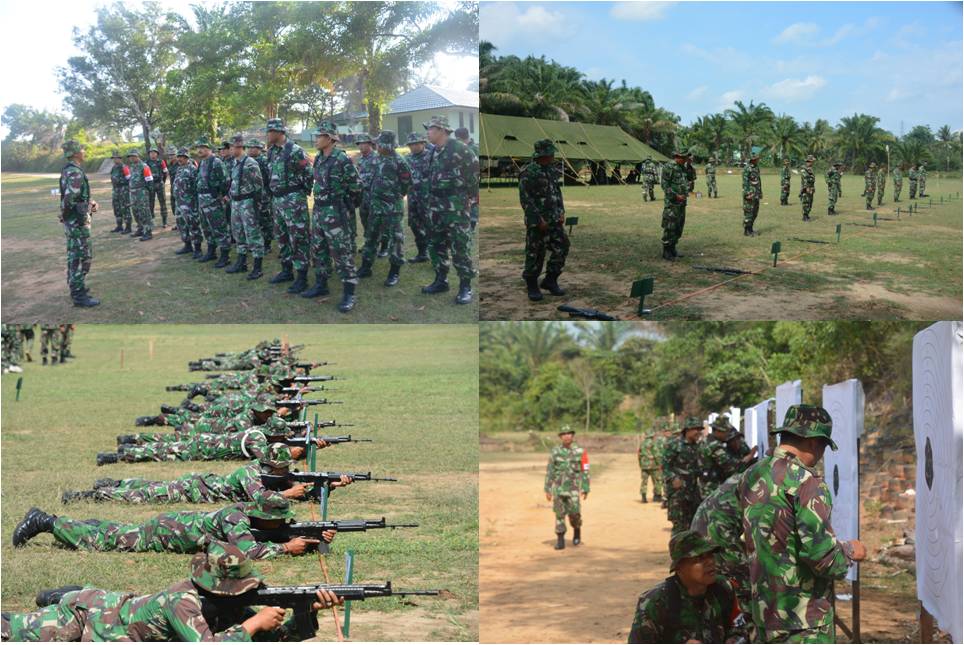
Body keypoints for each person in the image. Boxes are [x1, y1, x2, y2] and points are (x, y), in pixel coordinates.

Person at [1, 541, 342, 641]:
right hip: (92, 619)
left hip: (117, 614)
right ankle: (64, 597)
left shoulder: (225, 607)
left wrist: (307, 612)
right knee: (11, 630)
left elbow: (274, 638)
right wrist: (253, 625)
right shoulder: (183, 600)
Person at [737, 404, 867, 643]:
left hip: (765, 613)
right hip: (803, 622)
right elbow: (822, 558)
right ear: (813, 442)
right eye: (823, 447)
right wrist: (850, 550)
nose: (821, 455)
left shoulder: (751, 474)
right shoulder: (806, 482)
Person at [12, 495, 335, 560]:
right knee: (107, 541)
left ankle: (86, 524)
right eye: (279, 519)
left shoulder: (250, 515)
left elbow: (272, 532)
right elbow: (248, 551)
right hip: (168, 532)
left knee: (116, 532)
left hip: (173, 523)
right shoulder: (236, 519)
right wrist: (286, 548)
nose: (283, 522)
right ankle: (46, 521)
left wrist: (309, 537)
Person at [63, 443, 352, 505]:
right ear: (272, 465)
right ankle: (86, 496)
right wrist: (288, 493)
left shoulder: (272, 475)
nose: (288, 470)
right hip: (195, 489)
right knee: (143, 496)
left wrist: (330, 486)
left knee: (151, 485)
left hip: (200, 483)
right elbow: (262, 500)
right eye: (284, 466)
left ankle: (114, 482)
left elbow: (299, 493)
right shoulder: (250, 472)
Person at [628, 529, 747, 643]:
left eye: (710, 555)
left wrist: (733, 640)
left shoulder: (723, 588)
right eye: (699, 558)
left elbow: (740, 628)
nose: (710, 562)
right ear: (679, 567)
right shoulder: (655, 602)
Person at [303, 121, 361, 312]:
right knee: (318, 249)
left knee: (341, 252)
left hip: (336, 212)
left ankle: (349, 292)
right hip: (319, 211)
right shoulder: (319, 158)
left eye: (319, 136)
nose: (316, 139)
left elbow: (356, 186)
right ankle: (321, 284)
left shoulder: (341, 159)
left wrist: (345, 206)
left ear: (329, 138)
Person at [422, 115, 476, 305]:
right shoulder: (433, 151)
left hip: (456, 207)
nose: (428, 133)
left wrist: (470, 198)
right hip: (435, 206)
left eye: (430, 129)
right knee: (436, 244)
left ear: (441, 130)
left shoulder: (460, 149)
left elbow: (474, 174)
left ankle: (465, 286)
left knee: (460, 246)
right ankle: (441, 280)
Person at [358, 130, 412, 287]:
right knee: (371, 236)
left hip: (392, 208)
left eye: (379, 144)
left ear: (387, 145)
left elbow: (407, 184)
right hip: (375, 206)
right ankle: (366, 267)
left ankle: (394, 271)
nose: (377, 146)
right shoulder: (376, 159)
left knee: (396, 239)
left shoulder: (399, 162)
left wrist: (394, 196)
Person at [266, 119, 313, 292]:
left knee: (298, 238)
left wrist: (298, 194)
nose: (268, 134)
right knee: (282, 236)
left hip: (293, 201)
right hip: (277, 200)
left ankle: (302, 277)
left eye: (270, 131)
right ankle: (286, 270)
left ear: (280, 132)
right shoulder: (271, 151)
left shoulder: (295, 150)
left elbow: (308, 174)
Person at [519, 139, 569, 301]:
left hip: (554, 219)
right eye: (550, 153)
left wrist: (561, 212)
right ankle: (532, 284)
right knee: (535, 253)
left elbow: (557, 192)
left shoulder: (551, 170)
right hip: (538, 222)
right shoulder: (529, 172)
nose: (553, 156)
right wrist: (538, 219)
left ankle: (550, 280)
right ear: (543, 154)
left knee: (562, 246)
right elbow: (526, 199)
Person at [691, 473, 750, 610]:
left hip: (708, 527)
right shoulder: (765, 482)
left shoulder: (747, 475)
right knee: (742, 580)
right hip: (717, 531)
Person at [59, 140, 99, 307]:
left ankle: (77, 287)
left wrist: (89, 203)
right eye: (82, 149)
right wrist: (66, 215)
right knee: (82, 256)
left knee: (75, 254)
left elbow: (73, 197)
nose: (84, 151)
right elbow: (70, 199)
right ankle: (78, 295)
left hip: (73, 221)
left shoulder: (68, 170)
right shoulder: (75, 172)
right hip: (77, 223)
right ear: (76, 153)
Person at [226, 136, 266, 279]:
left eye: (231, 147)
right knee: (238, 233)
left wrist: (256, 205)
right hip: (236, 202)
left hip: (248, 202)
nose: (230, 150)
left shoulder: (250, 163)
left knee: (253, 234)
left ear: (239, 147)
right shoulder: (234, 162)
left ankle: (257, 267)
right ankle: (241, 262)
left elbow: (259, 185)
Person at [544, 425, 589, 550]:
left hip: (573, 489)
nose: (566, 436)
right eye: (563, 434)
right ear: (560, 437)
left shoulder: (580, 451)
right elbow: (550, 471)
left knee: (574, 513)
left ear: (572, 435)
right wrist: (548, 488)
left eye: (569, 433)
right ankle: (560, 539)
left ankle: (577, 530)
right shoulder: (555, 452)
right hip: (558, 488)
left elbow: (585, 470)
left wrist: (585, 487)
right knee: (559, 513)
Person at [662, 416, 703, 534]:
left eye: (700, 430)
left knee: (694, 524)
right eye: (696, 429)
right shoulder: (674, 444)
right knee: (679, 525)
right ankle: (677, 546)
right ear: (688, 430)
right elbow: (665, 466)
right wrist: (673, 478)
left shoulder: (698, 446)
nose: (699, 432)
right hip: (678, 492)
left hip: (693, 491)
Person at [194, 137, 230, 265]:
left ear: (209, 149)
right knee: (206, 227)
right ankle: (211, 251)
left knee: (219, 227)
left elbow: (225, 181)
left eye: (203, 147)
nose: (200, 150)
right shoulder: (202, 162)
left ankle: (225, 255)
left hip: (213, 200)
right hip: (202, 200)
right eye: (198, 148)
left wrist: (221, 195)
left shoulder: (216, 162)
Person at [404, 132, 433, 263]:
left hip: (428, 199)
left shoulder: (431, 157)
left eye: (416, 144)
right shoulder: (407, 159)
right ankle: (422, 253)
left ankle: (436, 256)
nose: (414, 147)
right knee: (415, 226)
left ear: (423, 143)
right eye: (411, 145)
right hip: (413, 199)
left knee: (430, 227)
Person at [660, 149, 689, 260]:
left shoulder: (682, 167)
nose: (686, 160)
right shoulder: (669, 167)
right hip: (672, 203)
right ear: (678, 157)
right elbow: (665, 185)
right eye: (684, 158)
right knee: (670, 226)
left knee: (678, 226)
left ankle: (673, 248)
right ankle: (666, 251)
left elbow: (687, 180)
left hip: (681, 203)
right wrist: (675, 196)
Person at [173, 147, 201, 257]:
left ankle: (198, 248)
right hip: (179, 202)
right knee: (181, 224)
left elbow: (196, 187)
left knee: (193, 224)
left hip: (189, 203)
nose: (180, 159)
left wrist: (194, 202)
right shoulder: (179, 169)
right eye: (179, 157)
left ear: (187, 158)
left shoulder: (192, 169)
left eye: (182, 157)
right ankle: (187, 245)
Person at [454, 127, 480, 230]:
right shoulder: (472, 147)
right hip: (465, 181)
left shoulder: (471, 148)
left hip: (471, 181)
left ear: (458, 138)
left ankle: (472, 225)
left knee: (473, 203)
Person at [126, 149, 154, 241]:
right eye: (130, 157)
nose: (132, 158)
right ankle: (140, 228)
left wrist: (148, 193)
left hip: (142, 192)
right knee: (135, 211)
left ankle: (148, 231)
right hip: (133, 193)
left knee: (144, 212)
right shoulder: (132, 167)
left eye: (133, 156)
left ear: (138, 156)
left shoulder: (144, 166)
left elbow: (149, 181)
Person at [637, 421, 664, 503]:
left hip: (644, 465)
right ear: (652, 435)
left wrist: (640, 464)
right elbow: (656, 454)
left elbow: (639, 454)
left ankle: (643, 496)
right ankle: (657, 496)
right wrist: (660, 464)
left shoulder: (642, 443)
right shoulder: (653, 443)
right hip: (653, 465)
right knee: (657, 480)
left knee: (644, 481)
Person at [146, 146, 170, 227]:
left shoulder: (161, 162)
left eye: (154, 152)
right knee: (150, 203)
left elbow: (165, 172)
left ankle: (164, 221)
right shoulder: (146, 163)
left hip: (159, 184)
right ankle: (151, 221)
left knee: (162, 203)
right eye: (151, 153)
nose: (152, 154)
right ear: (149, 154)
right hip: (150, 185)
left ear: (157, 154)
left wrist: (162, 181)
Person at [109, 150, 131, 233]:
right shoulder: (114, 167)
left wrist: (127, 188)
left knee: (125, 208)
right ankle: (119, 226)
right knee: (116, 208)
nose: (115, 160)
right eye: (114, 158)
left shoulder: (124, 167)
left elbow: (129, 179)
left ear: (120, 158)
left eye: (116, 158)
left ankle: (128, 227)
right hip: (115, 190)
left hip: (123, 190)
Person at [742, 152, 762, 236]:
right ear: (752, 160)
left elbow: (758, 180)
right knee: (749, 212)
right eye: (756, 159)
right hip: (750, 193)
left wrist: (760, 192)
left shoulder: (756, 168)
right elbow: (745, 182)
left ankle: (751, 229)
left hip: (756, 193)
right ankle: (747, 230)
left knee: (755, 212)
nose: (758, 160)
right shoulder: (747, 168)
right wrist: (747, 193)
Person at [800, 155, 816, 221]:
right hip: (806, 188)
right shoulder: (804, 169)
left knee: (810, 202)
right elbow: (805, 178)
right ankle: (805, 216)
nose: (813, 163)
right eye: (812, 161)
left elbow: (812, 179)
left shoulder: (810, 169)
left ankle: (807, 214)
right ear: (809, 161)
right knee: (806, 202)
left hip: (811, 188)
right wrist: (807, 187)